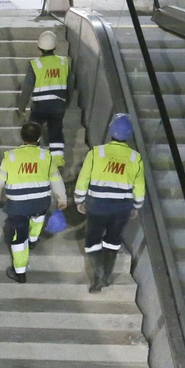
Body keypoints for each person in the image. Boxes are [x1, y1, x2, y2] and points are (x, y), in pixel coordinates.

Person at [74, 113, 146, 293]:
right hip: (122, 208)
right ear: (129, 134)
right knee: (113, 241)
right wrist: (136, 206)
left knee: (92, 240)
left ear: (111, 130)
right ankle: (106, 275)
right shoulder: (134, 158)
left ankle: (98, 277)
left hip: (98, 206)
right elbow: (139, 186)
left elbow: (83, 179)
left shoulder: (96, 153)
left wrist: (79, 200)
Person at [0, 123, 67, 284]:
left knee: (19, 238)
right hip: (41, 203)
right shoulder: (46, 156)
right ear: (39, 138)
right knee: (38, 219)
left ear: (22, 136)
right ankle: (33, 241)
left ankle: (20, 272)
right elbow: (56, 180)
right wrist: (62, 199)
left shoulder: (11, 156)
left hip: (18, 206)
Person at [17, 26, 71, 162]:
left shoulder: (35, 64)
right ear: (55, 46)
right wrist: (66, 103)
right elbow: (70, 85)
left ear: (39, 47)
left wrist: (21, 106)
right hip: (58, 105)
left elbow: (27, 88)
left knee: (33, 132)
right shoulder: (64, 62)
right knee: (56, 132)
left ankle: (35, 159)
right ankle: (57, 162)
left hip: (40, 106)